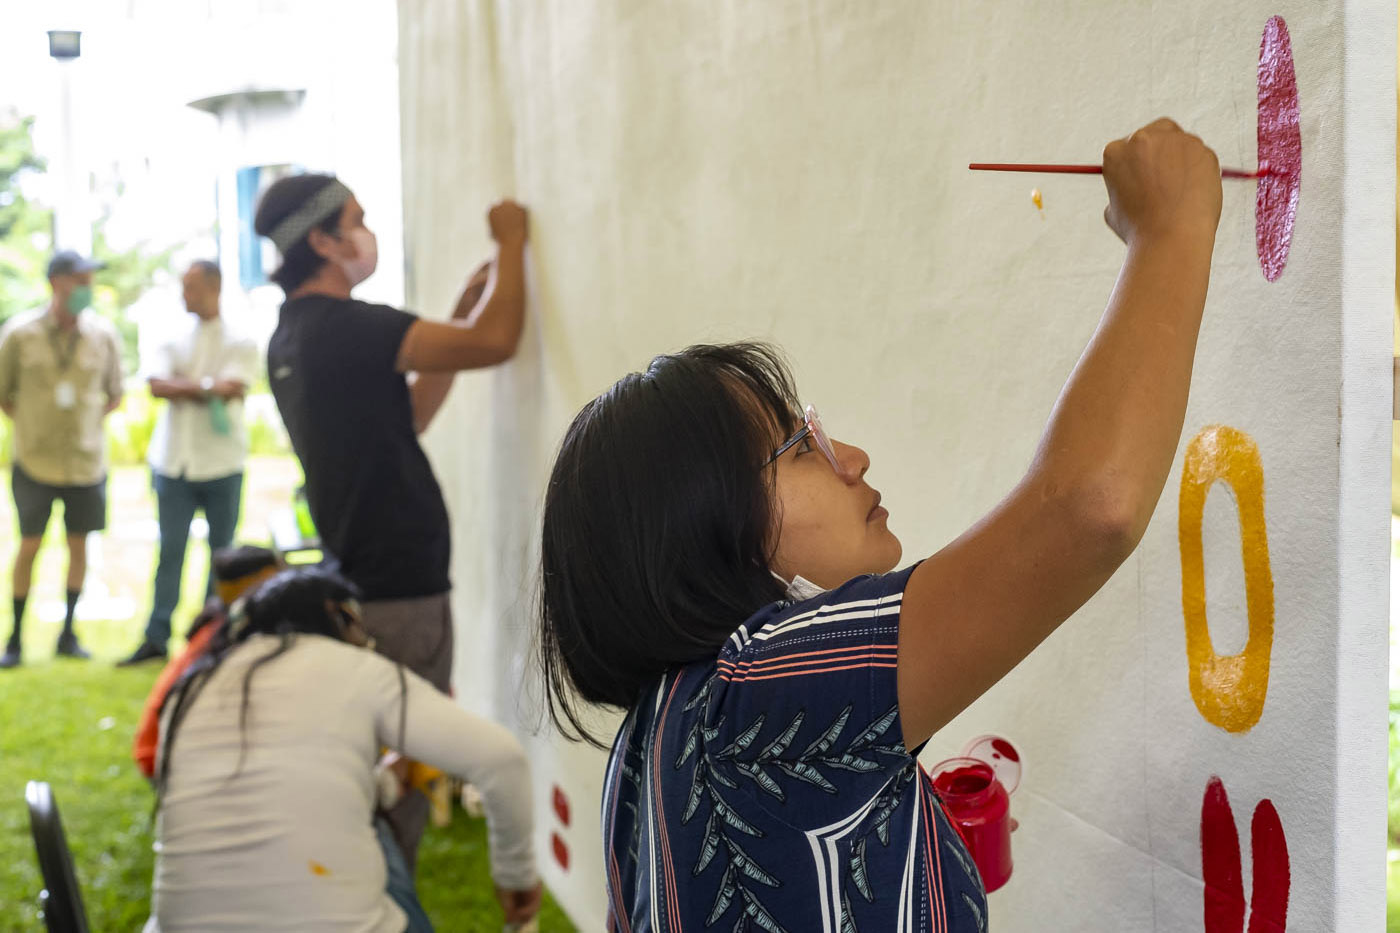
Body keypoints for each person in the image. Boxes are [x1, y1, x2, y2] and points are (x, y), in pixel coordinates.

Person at [536, 119, 1223, 931]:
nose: (851, 457)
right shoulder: (751, 692)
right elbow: (1092, 505)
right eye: (800, 447)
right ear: (696, 527)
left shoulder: (648, 748)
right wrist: (1170, 227)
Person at [253, 173, 528, 866]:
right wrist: (513, 242)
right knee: (406, 761)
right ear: (322, 239)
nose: (367, 231)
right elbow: (497, 342)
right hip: (401, 585)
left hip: (363, 575)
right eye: (357, 218)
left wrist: (462, 314)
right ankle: (378, 894)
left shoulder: (293, 337)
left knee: (376, 753)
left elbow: (406, 418)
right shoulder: (353, 328)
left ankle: (364, 882)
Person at [150, 567, 541, 932]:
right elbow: (500, 760)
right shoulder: (358, 669)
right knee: (376, 836)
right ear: (336, 615)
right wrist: (516, 876)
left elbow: (267, 793)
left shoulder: (191, 688)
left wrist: (384, 785)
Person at [120, 260, 259, 666]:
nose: (185, 296)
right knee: (170, 551)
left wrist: (191, 385)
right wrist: (207, 386)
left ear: (214, 287)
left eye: (192, 288)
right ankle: (157, 636)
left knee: (222, 553)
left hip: (222, 462)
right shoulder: (172, 334)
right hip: (174, 462)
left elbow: (235, 389)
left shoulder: (240, 337)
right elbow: (157, 386)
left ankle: (209, 634)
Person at [0, 250, 123, 668]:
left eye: (90, 280)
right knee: (29, 546)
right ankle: (14, 637)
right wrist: (37, 424)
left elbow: (114, 394)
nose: (86, 289)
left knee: (79, 546)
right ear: (57, 282)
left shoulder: (103, 335)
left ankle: (68, 633)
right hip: (34, 460)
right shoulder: (19, 333)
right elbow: (4, 394)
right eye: (80, 280)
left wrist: (83, 425)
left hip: (86, 463)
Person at [131, 545, 283, 780]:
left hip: (158, 750)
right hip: (162, 757)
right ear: (262, 581)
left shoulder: (216, 623)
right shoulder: (226, 638)